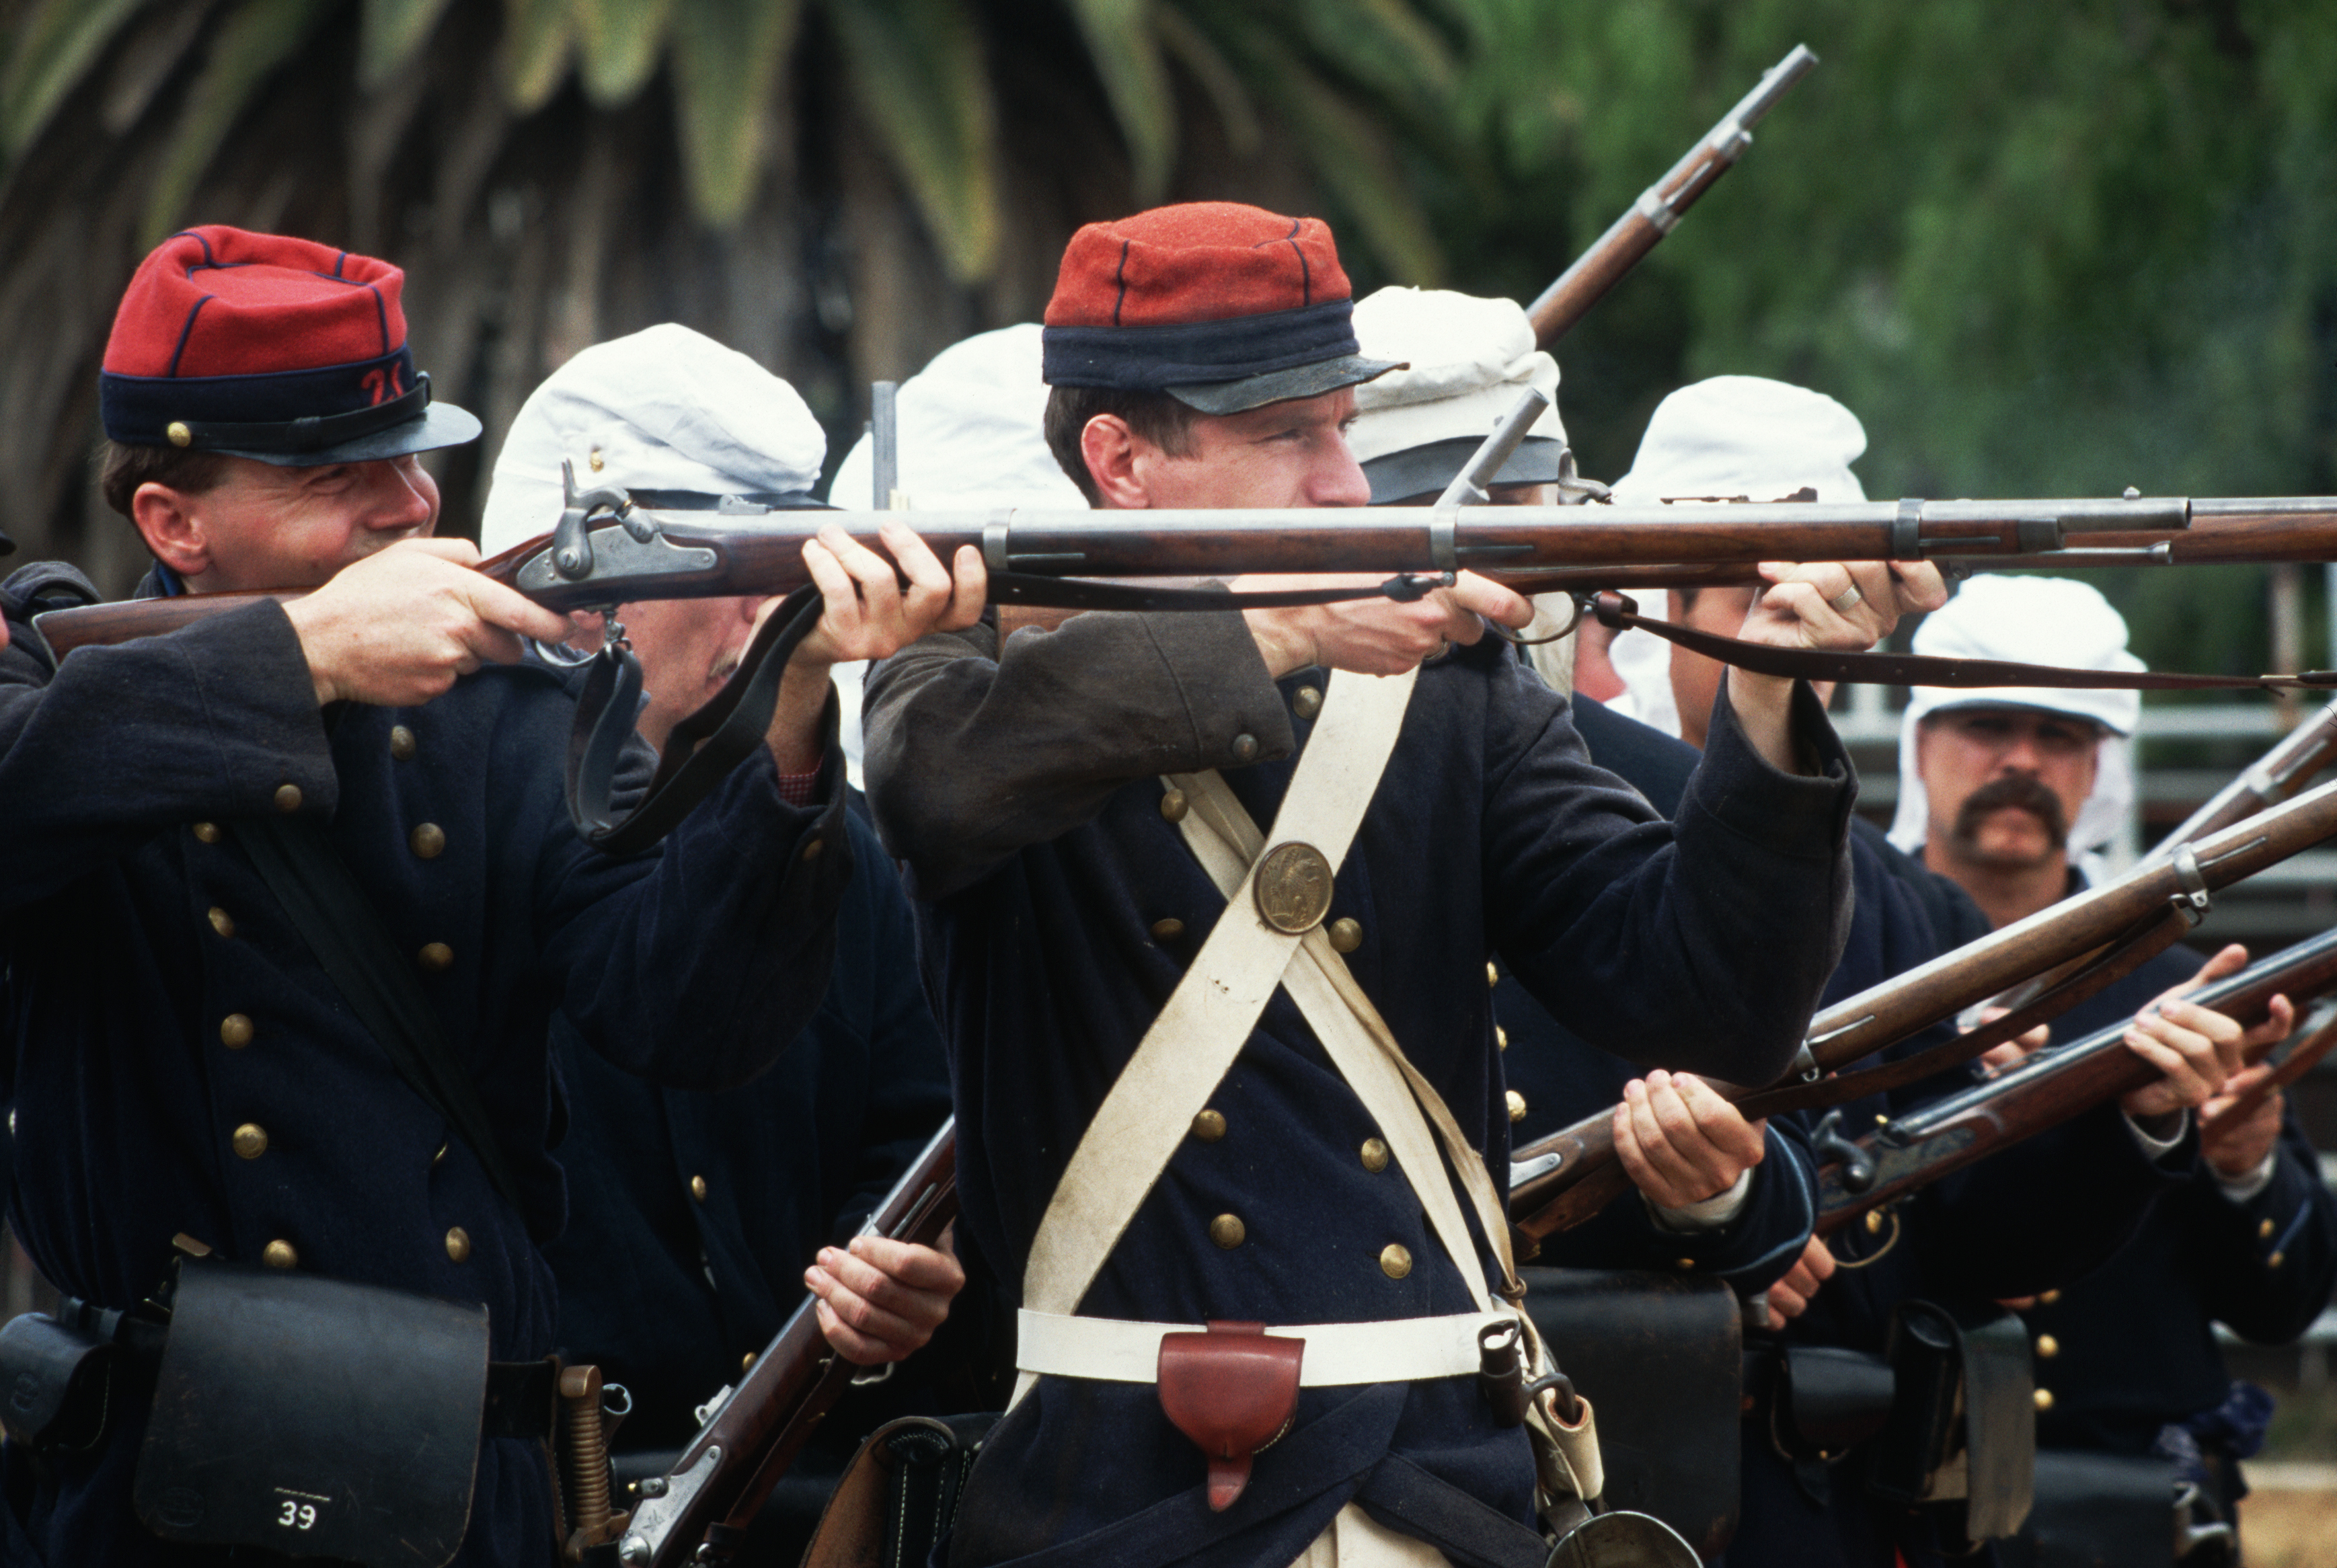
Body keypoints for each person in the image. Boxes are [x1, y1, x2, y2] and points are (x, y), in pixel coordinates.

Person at [863, 200, 1946, 1567]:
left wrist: (1772, 697)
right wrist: (1300, 626)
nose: (1341, 477)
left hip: (1433, 1484)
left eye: (1337, 422)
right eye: (1286, 434)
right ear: (1120, 459)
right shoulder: (964, 671)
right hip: (1116, 1500)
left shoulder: (1451, 691)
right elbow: (940, 787)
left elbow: (1703, 995)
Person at [0, 228, 981, 1567]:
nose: (410, 503)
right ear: (175, 523)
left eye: (413, 454)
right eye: (341, 476)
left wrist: (797, 715)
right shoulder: (70, 706)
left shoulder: (512, 717)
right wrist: (299, 658)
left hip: (472, 1490)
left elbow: (686, 1013)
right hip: (178, 1485)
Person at [1570, 387, 2268, 1568]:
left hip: (1840, 1511)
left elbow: (1982, 1241)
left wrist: (2141, 1122)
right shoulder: (1571, 827)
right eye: (1759, 596)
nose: (1804, 626)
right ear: (1659, 613)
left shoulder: (1916, 910)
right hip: (1612, 1482)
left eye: (1833, 600)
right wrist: (1728, 1226)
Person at [478, 326, 972, 1535]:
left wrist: (912, 1291)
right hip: (497, 1497)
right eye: (727, 571)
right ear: (578, 597)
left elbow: (914, 1145)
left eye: (781, 572)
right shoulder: (458, 837)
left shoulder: (839, 847)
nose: (768, 614)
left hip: (782, 1501)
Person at [1346, 291, 1814, 1291]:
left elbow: (1779, 1145)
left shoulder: (1668, 789)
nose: (1490, 588)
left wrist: (1711, 1193)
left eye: (1521, 531)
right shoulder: (1233, 767)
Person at [1886, 577, 2334, 1564]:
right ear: (1922, 742)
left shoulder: (2179, 987)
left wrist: (2243, 1162)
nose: (2020, 761)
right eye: (1987, 724)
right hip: (1885, 1494)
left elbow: (2283, 1303)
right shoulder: (1834, 961)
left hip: (2139, 1504)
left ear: (2099, 768)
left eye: (2060, 736)